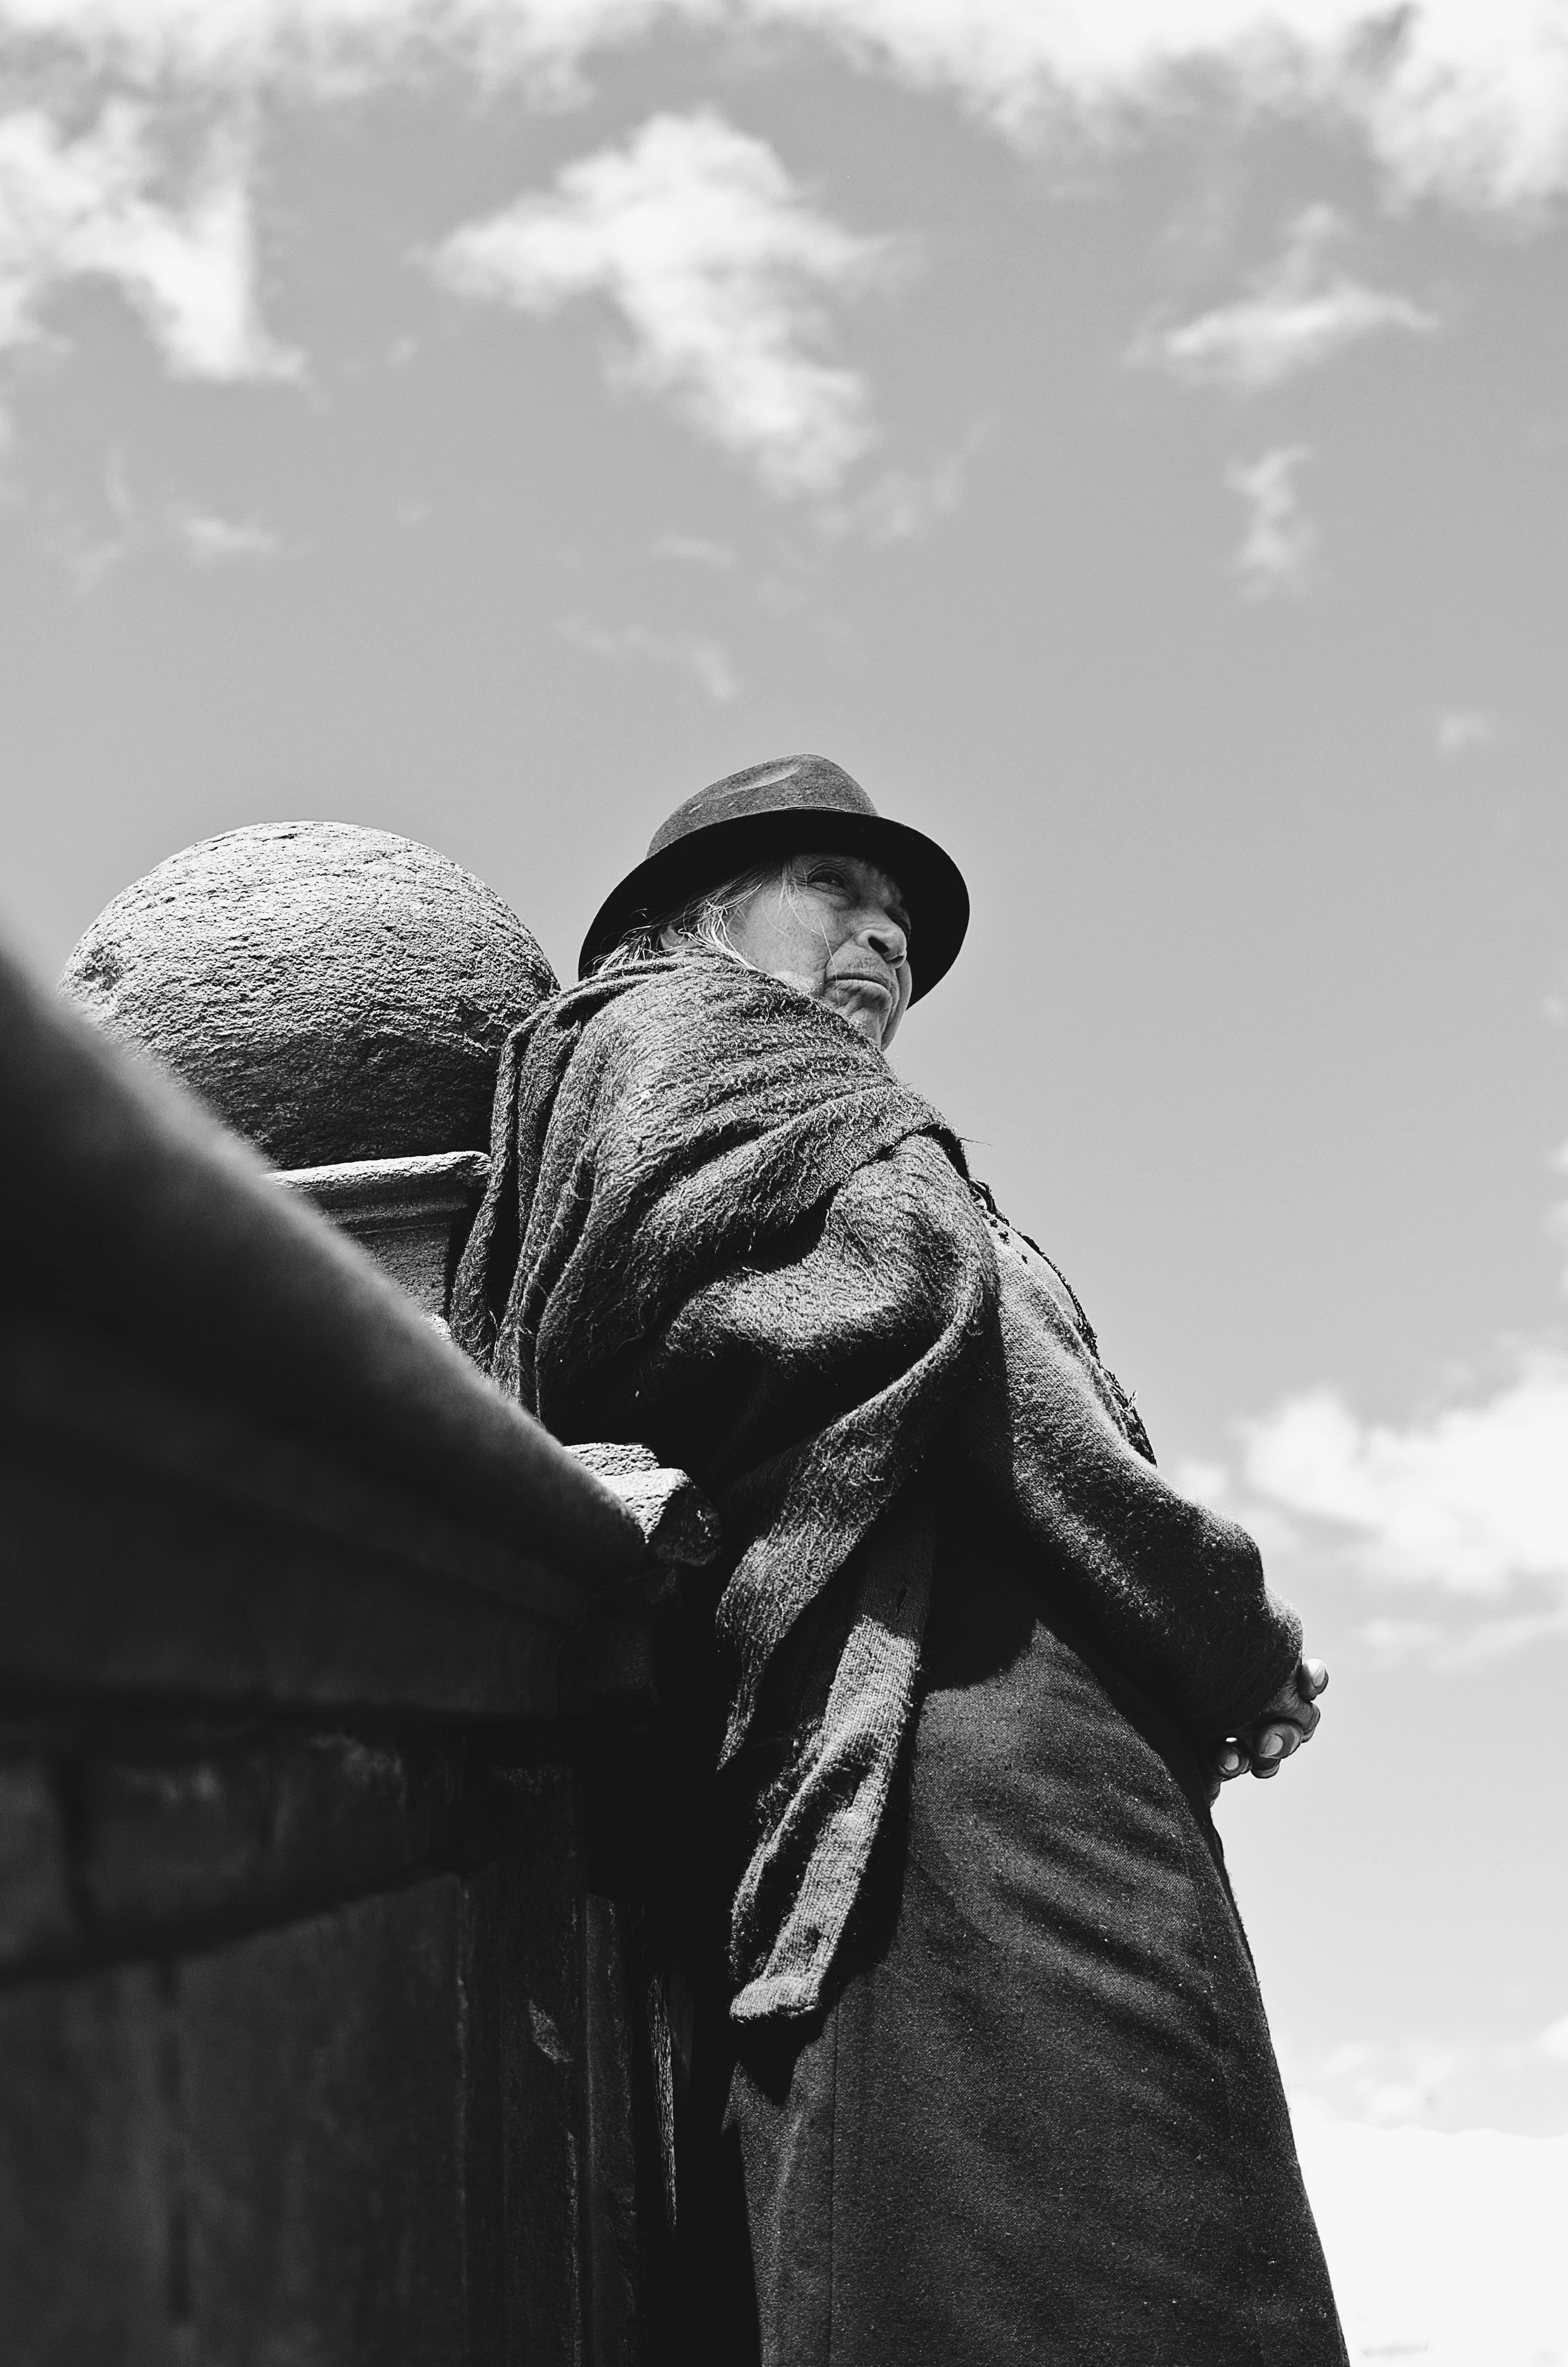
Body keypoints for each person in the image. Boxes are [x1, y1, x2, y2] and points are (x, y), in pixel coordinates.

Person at [453, 755, 1347, 2366]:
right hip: (953, 1724)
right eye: (836, 898)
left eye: (904, 935)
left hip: (921, 1706)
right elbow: (973, 1346)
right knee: (1097, 2220)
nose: (883, 948)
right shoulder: (691, 1038)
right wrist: (1232, 1632)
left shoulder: (743, 1084)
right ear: (695, 915)